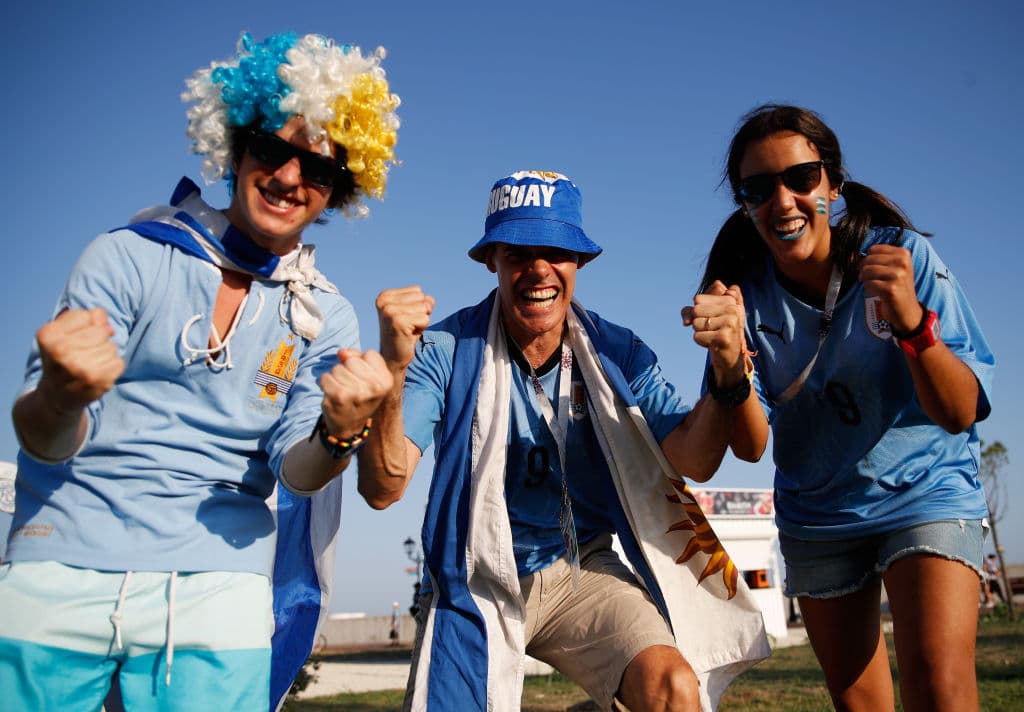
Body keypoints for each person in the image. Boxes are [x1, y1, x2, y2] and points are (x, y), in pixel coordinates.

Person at [0, 31, 399, 712]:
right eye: (272, 150)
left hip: (220, 577)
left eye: (319, 169)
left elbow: (297, 474)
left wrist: (340, 432)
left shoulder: (326, 316)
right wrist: (64, 395)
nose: (289, 177)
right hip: (60, 553)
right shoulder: (125, 256)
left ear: (338, 192)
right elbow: (43, 437)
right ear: (237, 147)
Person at [360, 171, 769, 712]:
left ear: (581, 262)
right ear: (491, 260)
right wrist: (390, 371)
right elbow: (383, 487)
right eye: (517, 252)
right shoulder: (445, 349)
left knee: (673, 688)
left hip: (582, 568)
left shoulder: (615, 351)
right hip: (476, 575)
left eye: (556, 251)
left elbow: (695, 459)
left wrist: (724, 368)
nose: (537, 269)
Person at [694, 104, 994, 712]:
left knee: (940, 688)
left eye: (801, 178)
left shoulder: (901, 261)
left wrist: (914, 326)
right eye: (759, 189)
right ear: (745, 204)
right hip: (819, 517)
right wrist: (729, 364)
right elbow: (751, 446)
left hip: (924, 493)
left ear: (832, 182)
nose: (783, 201)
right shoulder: (740, 297)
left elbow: (961, 412)